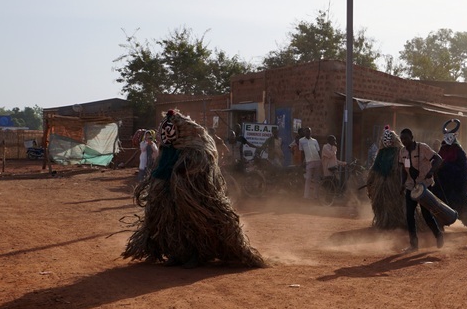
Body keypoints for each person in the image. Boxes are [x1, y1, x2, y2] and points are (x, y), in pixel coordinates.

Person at [122, 110, 266, 268]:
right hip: (168, 190)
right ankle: (176, 254)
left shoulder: (195, 146)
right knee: (169, 222)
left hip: (193, 195)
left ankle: (197, 255)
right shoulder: (168, 147)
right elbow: (161, 161)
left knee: (194, 223)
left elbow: (204, 162)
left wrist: (185, 174)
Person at [399, 128, 444, 252]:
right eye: (402, 139)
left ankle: (438, 235)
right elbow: (403, 169)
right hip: (410, 186)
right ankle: (414, 245)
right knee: (409, 215)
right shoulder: (402, 152)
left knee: (426, 214)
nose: (403, 141)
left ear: (412, 137)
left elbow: (438, 159)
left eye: (406, 138)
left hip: (424, 186)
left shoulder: (423, 147)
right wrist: (402, 184)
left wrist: (431, 171)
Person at [431, 120, 467, 232]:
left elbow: (463, 168)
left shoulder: (459, 151)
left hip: (456, 184)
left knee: (460, 204)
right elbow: (438, 161)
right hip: (443, 183)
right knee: (440, 203)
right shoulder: (442, 150)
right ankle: (440, 223)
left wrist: (447, 166)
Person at [367, 126, 406, 229]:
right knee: (381, 203)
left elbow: (406, 165)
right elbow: (374, 168)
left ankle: (398, 222)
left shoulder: (401, 151)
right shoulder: (381, 152)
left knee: (397, 203)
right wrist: (370, 181)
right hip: (382, 183)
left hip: (396, 183)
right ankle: (384, 222)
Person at [300, 127, 322, 200]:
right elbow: (302, 152)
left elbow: (318, 151)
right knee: (308, 178)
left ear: (311, 132)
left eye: (309, 132)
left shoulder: (315, 141)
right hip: (309, 161)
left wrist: (320, 160)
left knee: (316, 179)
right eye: (306, 132)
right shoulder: (301, 141)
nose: (307, 133)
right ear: (304, 133)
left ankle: (316, 196)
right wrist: (302, 162)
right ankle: (306, 196)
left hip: (317, 160)